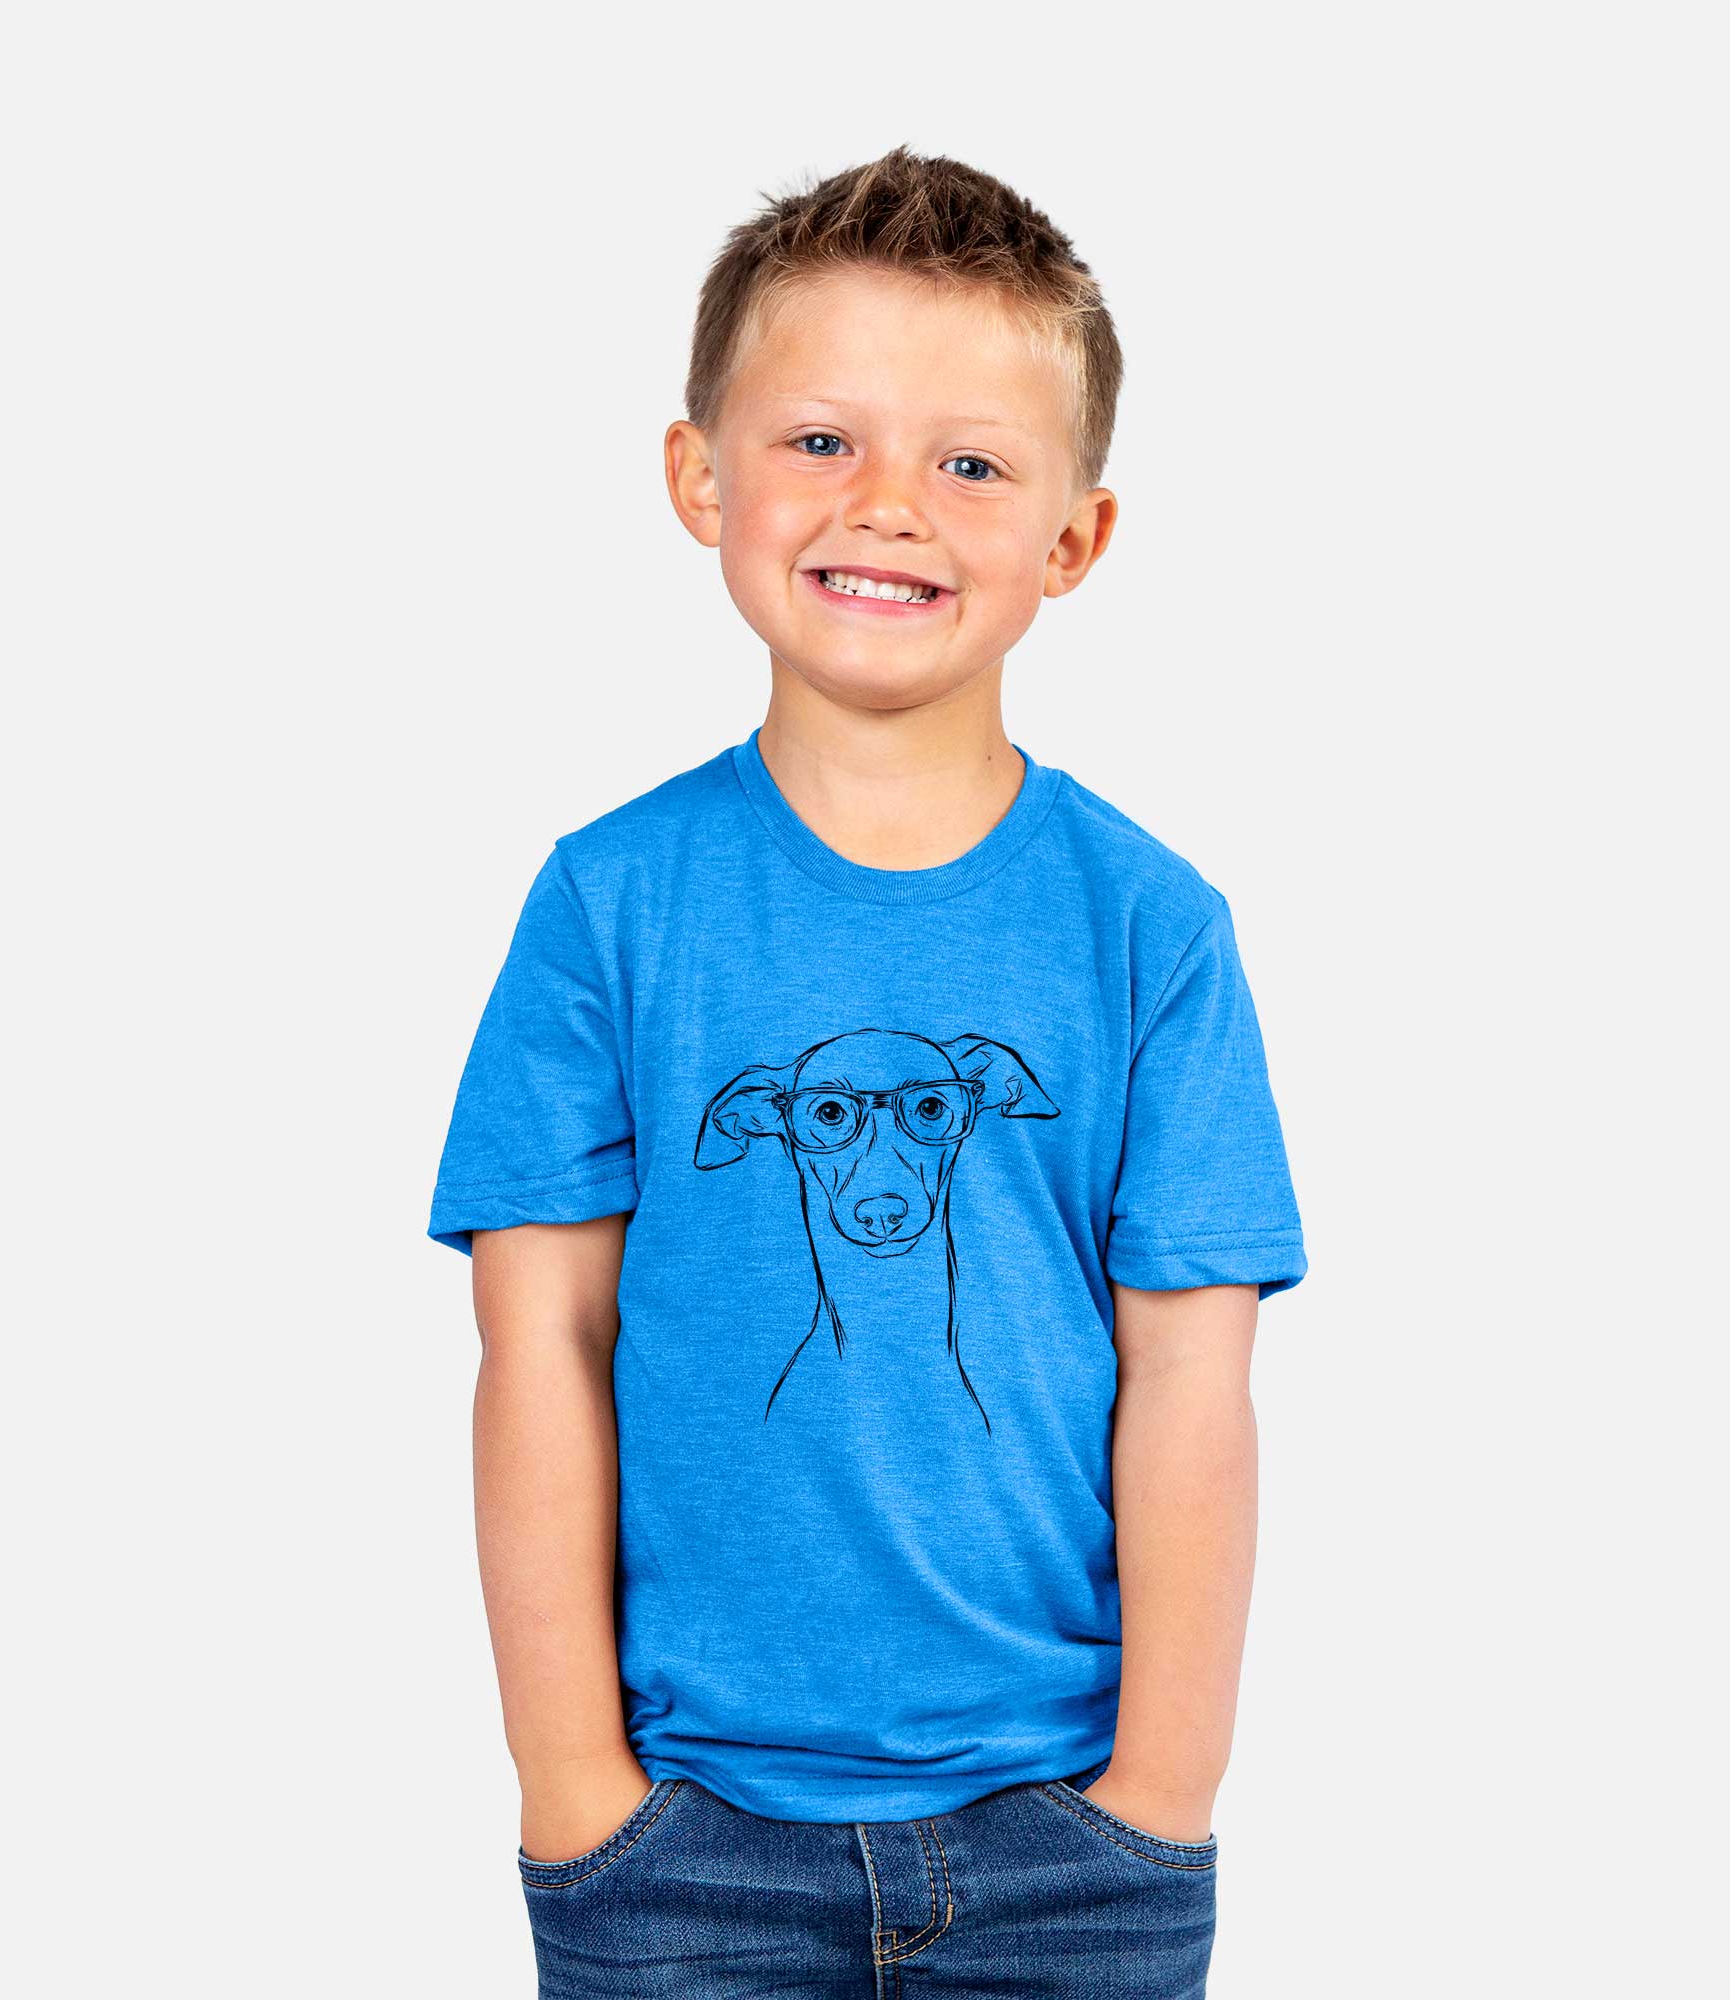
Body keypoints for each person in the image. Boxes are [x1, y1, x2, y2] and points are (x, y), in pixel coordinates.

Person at [428, 144, 1307, 1999]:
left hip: (1072, 1844)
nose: (888, 505)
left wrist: (1160, 1801)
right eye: (822, 439)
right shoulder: (609, 905)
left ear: (1074, 538)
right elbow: (539, 1347)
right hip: (681, 1851)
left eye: (971, 464)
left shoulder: (1152, 928)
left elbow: (1193, 1380)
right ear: (701, 477)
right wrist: (574, 1796)